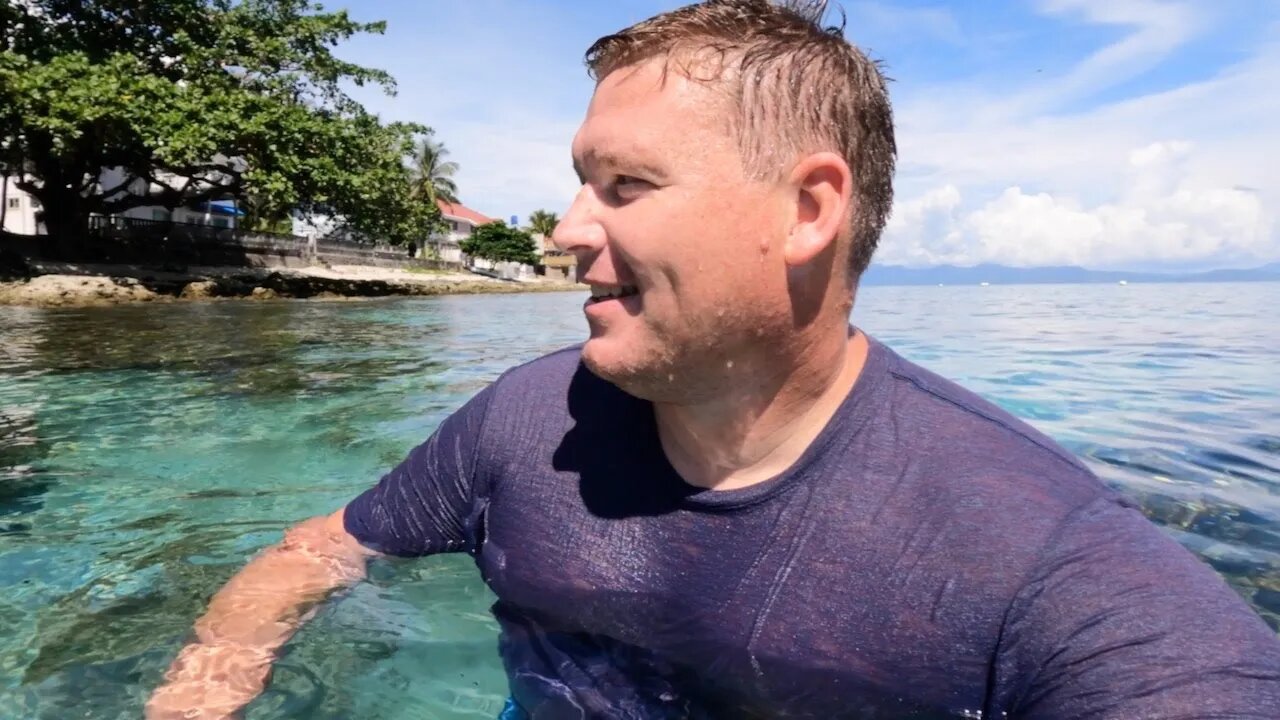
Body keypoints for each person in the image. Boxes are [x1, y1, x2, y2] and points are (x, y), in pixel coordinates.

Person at [147, 1, 1280, 718]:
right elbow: (319, 549)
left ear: (806, 209)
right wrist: (203, 691)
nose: (562, 231)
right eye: (580, 179)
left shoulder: (1039, 558)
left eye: (623, 187)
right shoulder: (526, 420)